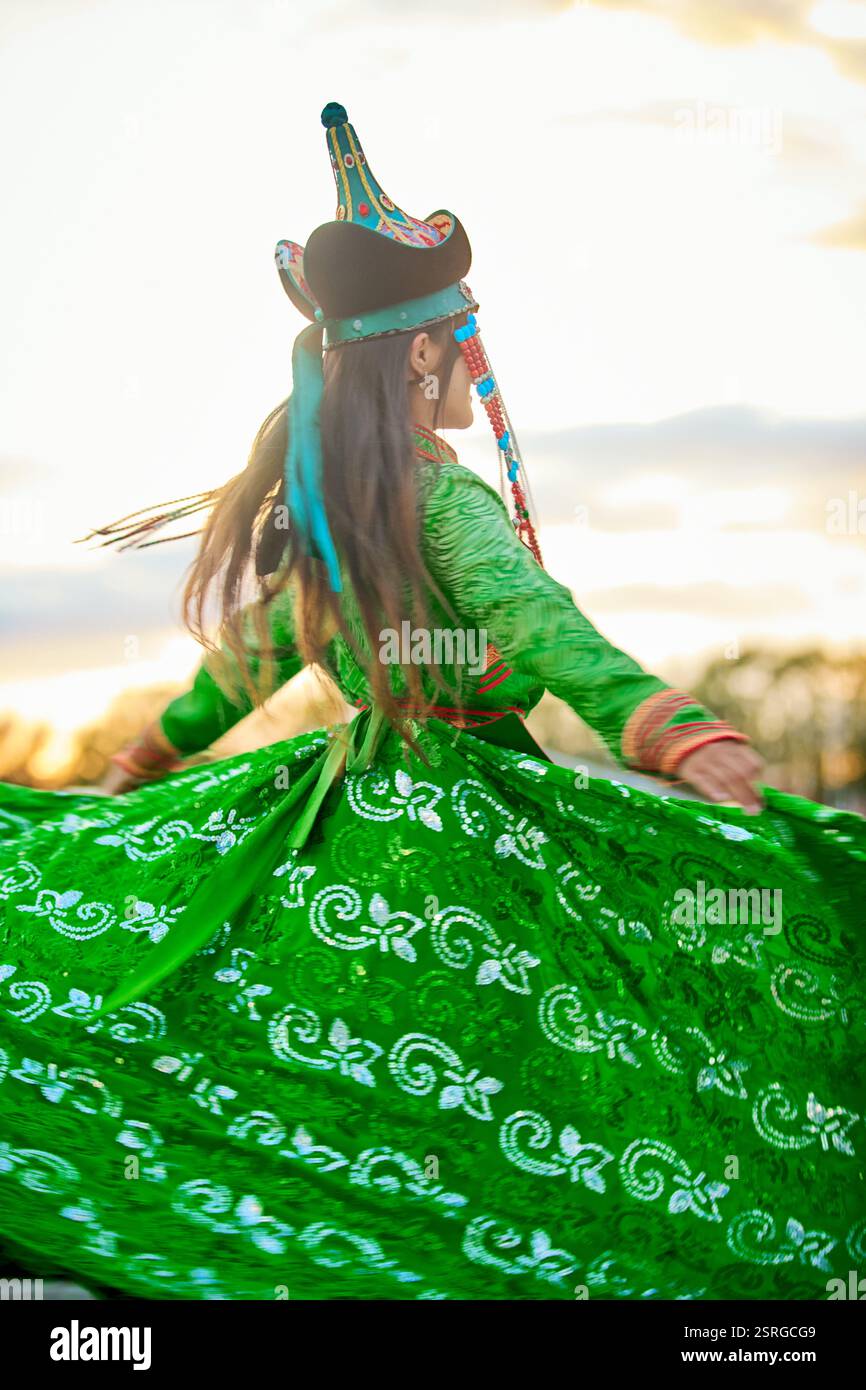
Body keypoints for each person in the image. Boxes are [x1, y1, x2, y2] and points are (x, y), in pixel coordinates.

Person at [0, 103, 862, 1302]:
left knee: (368, 1097)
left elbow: (243, 672)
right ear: (420, 353)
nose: (474, 358)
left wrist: (132, 771)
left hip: (342, 820)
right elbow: (533, 621)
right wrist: (671, 729)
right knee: (679, 1004)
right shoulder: (443, 501)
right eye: (466, 335)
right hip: (467, 832)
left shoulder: (328, 506)